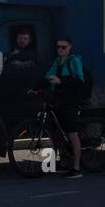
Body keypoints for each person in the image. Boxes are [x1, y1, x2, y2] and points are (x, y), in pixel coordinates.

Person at [34, 36, 86, 178]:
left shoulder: (73, 61)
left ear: (70, 47)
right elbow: (48, 78)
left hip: (70, 101)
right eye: (58, 47)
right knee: (58, 131)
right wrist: (35, 88)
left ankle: (76, 168)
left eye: (63, 47)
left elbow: (79, 82)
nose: (60, 50)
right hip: (59, 100)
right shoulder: (57, 62)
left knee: (71, 133)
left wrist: (61, 81)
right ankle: (63, 161)